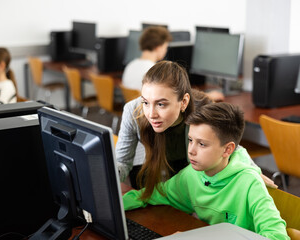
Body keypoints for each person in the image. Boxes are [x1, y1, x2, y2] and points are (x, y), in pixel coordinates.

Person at [123, 102, 289, 240]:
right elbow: (151, 195)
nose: (191, 151)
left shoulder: (250, 183)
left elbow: (277, 236)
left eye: (202, 144)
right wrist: (111, 206)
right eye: (190, 140)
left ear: (227, 150)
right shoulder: (191, 175)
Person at [116, 61, 277, 193]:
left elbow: (229, 146)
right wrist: (105, 177)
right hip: (149, 162)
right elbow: (122, 161)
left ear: (184, 102)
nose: (151, 114)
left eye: (161, 104)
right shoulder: (133, 110)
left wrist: (253, 172)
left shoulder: (202, 109)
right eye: (145, 102)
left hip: (185, 164)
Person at [122, 26, 224, 101]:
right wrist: (208, 96)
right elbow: (178, 97)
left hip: (138, 116)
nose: (166, 51)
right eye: (166, 47)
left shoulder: (130, 66)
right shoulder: (155, 72)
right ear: (158, 47)